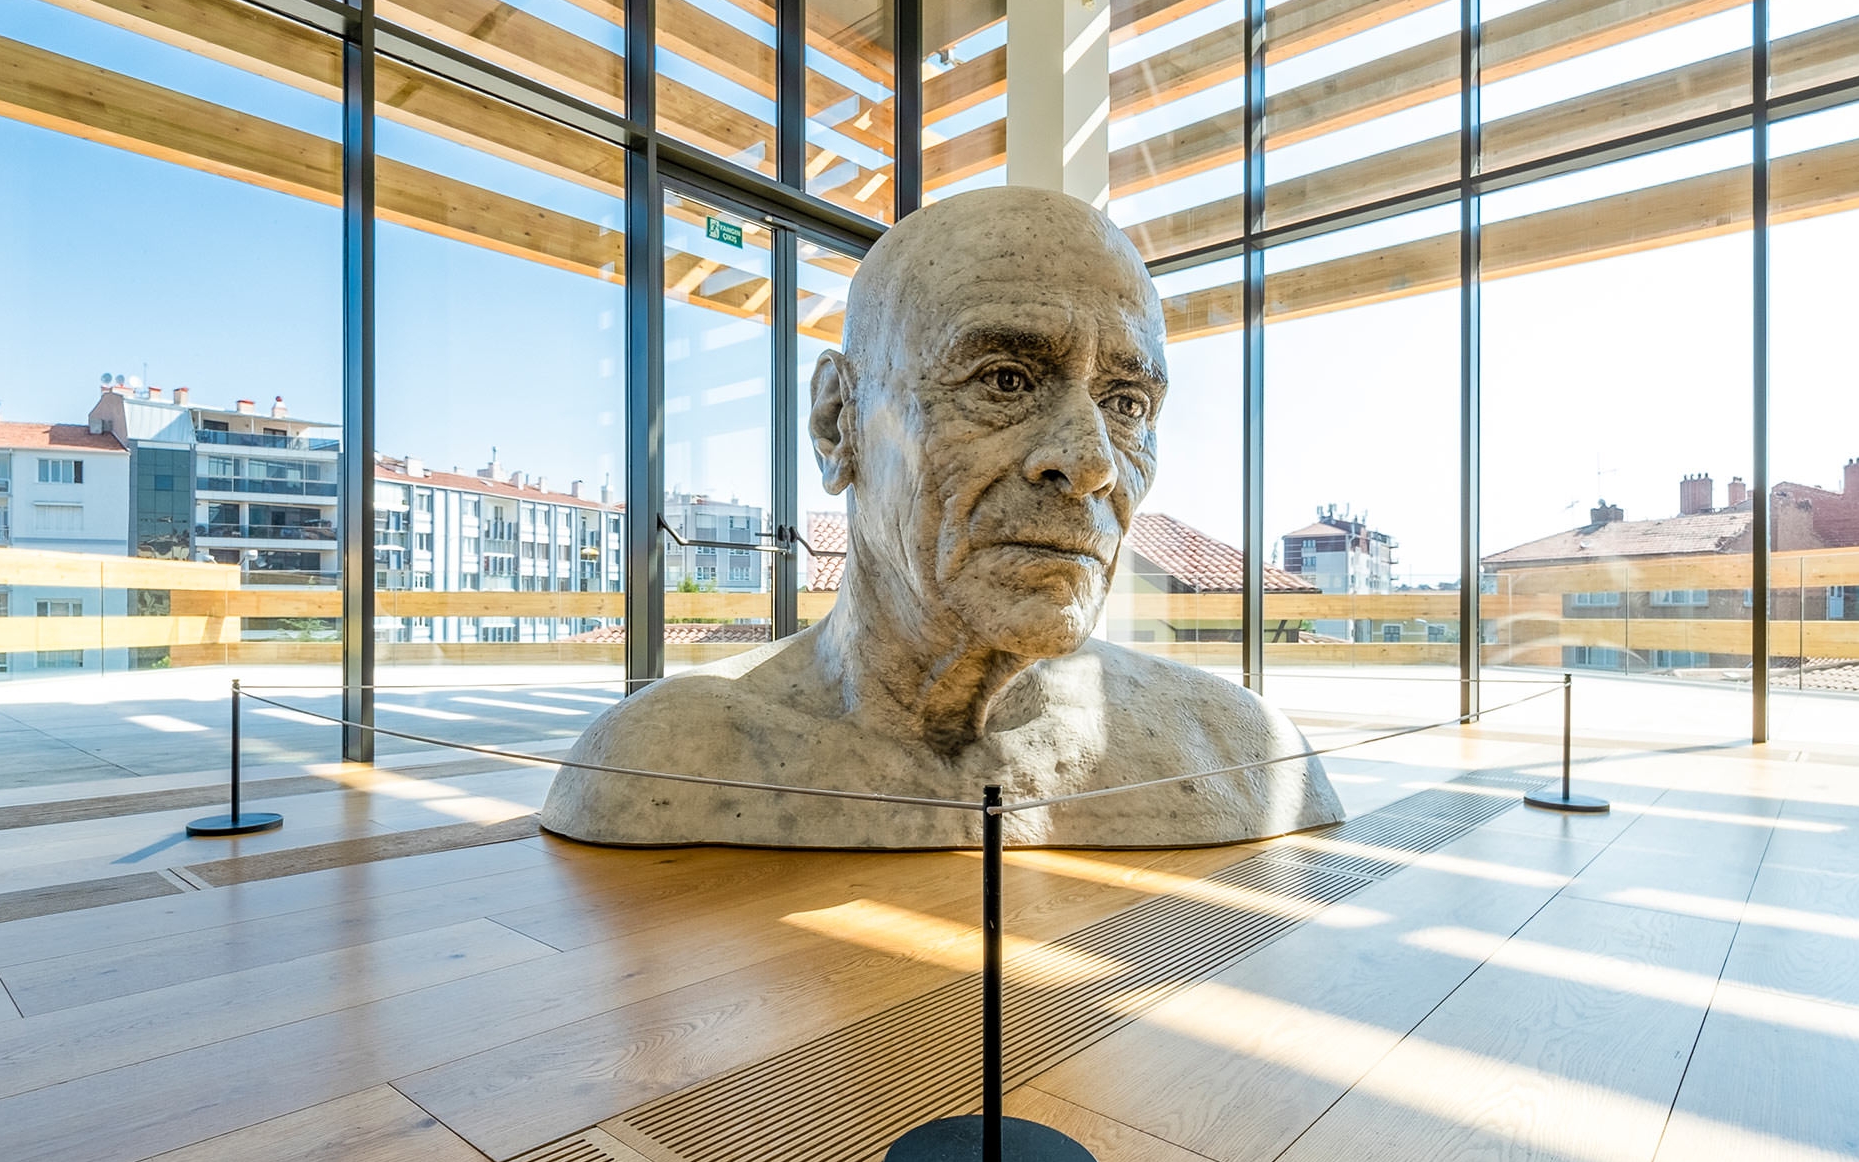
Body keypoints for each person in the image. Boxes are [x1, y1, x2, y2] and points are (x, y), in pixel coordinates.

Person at [541, 187, 1344, 848]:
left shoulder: (1237, 752)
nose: (1092, 462)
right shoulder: (672, 761)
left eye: (1127, 403)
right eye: (1003, 380)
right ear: (838, 424)